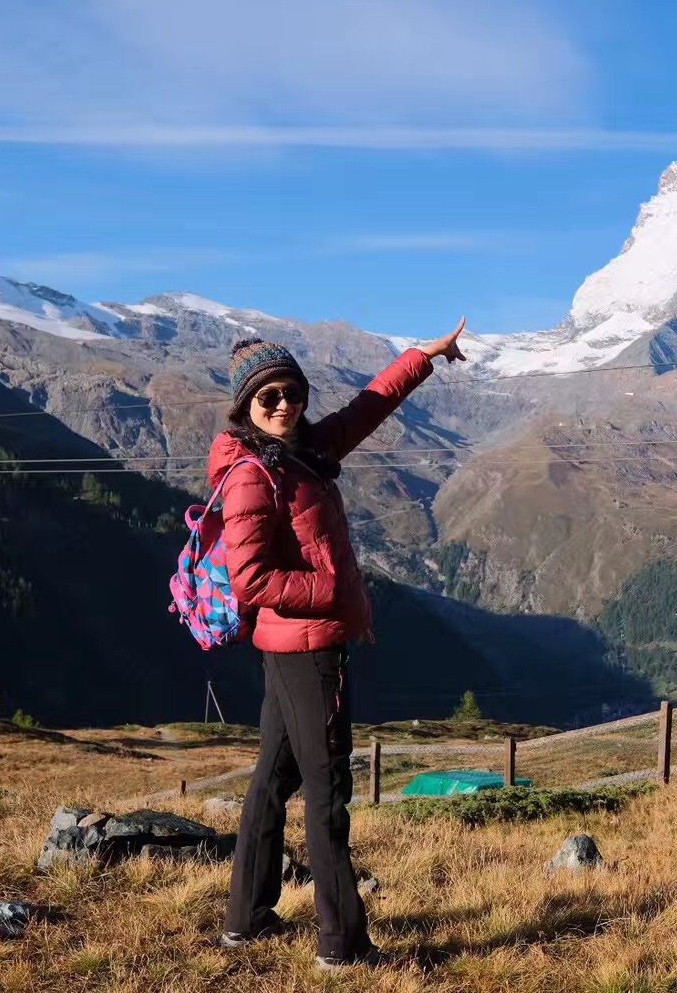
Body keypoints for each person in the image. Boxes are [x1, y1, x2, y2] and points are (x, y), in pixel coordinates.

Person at [215, 320, 466, 968]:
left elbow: (365, 409)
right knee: (328, 800)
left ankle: (246, 918)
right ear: (244, 405)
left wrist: (421, 357)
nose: (283, 406)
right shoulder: (253, 475)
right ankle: (343, 946)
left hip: (290, 647)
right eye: (268, 397)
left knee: (273, 779)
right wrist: (330, 590)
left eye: (292, 393)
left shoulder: (303, 450)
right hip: (307, 651)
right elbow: (250, 578)